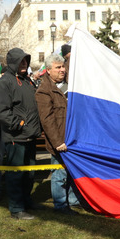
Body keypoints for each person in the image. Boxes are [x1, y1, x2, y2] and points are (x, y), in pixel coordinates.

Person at [0, 48, 42, 220]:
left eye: (25, 61)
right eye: (20, 61)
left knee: (29, 173)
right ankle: (16, 208)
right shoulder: (4, 82)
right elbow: (1, 112)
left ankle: (26, 201)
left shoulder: (27, 81)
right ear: (13, 62)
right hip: (16, 137)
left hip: (30, 135)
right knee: (15, 174)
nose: (24, 64)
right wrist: (20, 124)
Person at [35, 53, 81, 214]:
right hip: (59, 141)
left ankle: (73, 201)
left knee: (72, 172)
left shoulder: (70, 85)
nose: (62, 70)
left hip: (73, 138)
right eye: (58, 67)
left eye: (63, 67)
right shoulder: (44, 91)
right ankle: (61, 205)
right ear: (48, 70)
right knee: (60, 174)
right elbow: (47, 120)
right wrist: (57, 142)